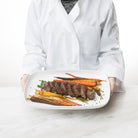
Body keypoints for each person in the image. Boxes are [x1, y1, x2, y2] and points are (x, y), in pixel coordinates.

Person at [20, 0, 125, 96]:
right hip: (53, 91)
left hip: (93, 90)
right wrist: (29, 73)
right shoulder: (38, 4)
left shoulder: (104, 4)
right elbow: (35, 50)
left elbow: (109, 51)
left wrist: (110, 76)